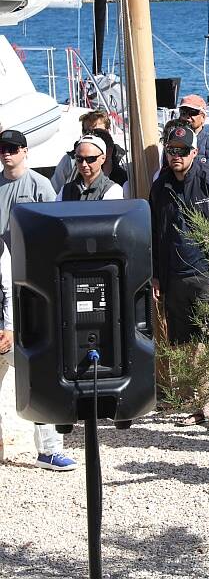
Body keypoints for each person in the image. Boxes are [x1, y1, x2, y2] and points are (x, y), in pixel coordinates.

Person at [0, 129, 76, 471]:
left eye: (12, 148)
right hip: (4, 285)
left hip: (31, 289)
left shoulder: (39, 187)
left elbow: (53, 236)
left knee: (38, 370)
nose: (6, 154)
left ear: (24, 151)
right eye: (2, 148)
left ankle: (48, 449)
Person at [149, 123, 209, 427]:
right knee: (184, 343)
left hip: (206, 273)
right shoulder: (160, 186)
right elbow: (156, 233)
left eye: (182, 151)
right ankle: (195, 404)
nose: (176, 156)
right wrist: (157, 275)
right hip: (173, 276)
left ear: (194, 152)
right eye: (171, 150)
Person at [51, 110, 128, 191]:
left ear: (108, 132)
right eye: (88, 132)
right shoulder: (69, 161)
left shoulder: (123, 159)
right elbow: (54, 191)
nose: (93, 136)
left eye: (98, 132)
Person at [56, 134, 124, 201]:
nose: (84, 164)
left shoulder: (112, 190)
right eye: (79, 159)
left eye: (90, 159)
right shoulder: (65, 190)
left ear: (103, 158)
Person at [177, 93, 209, 174]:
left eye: (192, 112)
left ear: (203, 117)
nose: (187, 116)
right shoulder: (171, 143)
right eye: (183, 112)